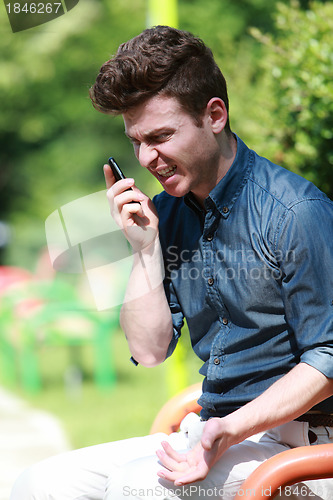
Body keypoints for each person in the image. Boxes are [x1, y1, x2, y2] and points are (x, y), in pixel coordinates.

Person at [10, 25, 333, 500]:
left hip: (302, 444)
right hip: (213, 433)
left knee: (135, 487)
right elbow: (148, 350)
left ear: (215, 115)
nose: (147, 158)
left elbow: (327, 360)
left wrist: (229, 429)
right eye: (136, 141)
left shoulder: (295, 213)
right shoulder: (168, 215)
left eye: (161, 136)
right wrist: (144, 249)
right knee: (40, 483)